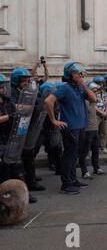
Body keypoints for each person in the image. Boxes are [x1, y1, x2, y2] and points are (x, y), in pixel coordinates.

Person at [45, 62, 97, 195]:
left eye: (80, 73)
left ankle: (73, 180)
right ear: (69, 75)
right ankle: (66, 183)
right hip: (70, 127)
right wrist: (54, 120)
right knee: (70, 155)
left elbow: (94, 99)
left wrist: (83, 84)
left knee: (76, 155)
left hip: (81, 126)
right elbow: (48, 101)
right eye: (77, 73)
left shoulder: (79, 88)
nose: (80, 75)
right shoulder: (65, 88)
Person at [9, 67, 45, 202]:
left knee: (29, 155)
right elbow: (14, 107)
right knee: (17, 161)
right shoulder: (11, 92)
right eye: (23, 80)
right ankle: (22, 190)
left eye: (26, 79)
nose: (25, 82)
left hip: (27, 126)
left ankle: (32, 182)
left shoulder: (27, 90)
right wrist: (28, 107)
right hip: (15, 129)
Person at [79, 82, 106, 180]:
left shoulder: (93, 101)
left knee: (95, 150)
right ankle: (84, 171)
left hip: (95, 129)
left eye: (96, 91)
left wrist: (102, 112)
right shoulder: (84, 102)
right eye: (94, 91)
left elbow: (97, 105)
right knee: (85, 151)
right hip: (87, 130)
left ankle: (96, 168)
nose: (95, 93)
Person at [93, 76, 107, 154]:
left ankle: (103, 147)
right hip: (96, 115)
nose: (100, 85)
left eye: (101, 83)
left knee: (104, 132)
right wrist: (101, 112)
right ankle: (93, 149)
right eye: (98, 83)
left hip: (104, 115)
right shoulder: (93, 93)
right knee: (94, 133)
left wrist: (105, 112)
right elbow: (93, 105)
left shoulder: (104, 92)